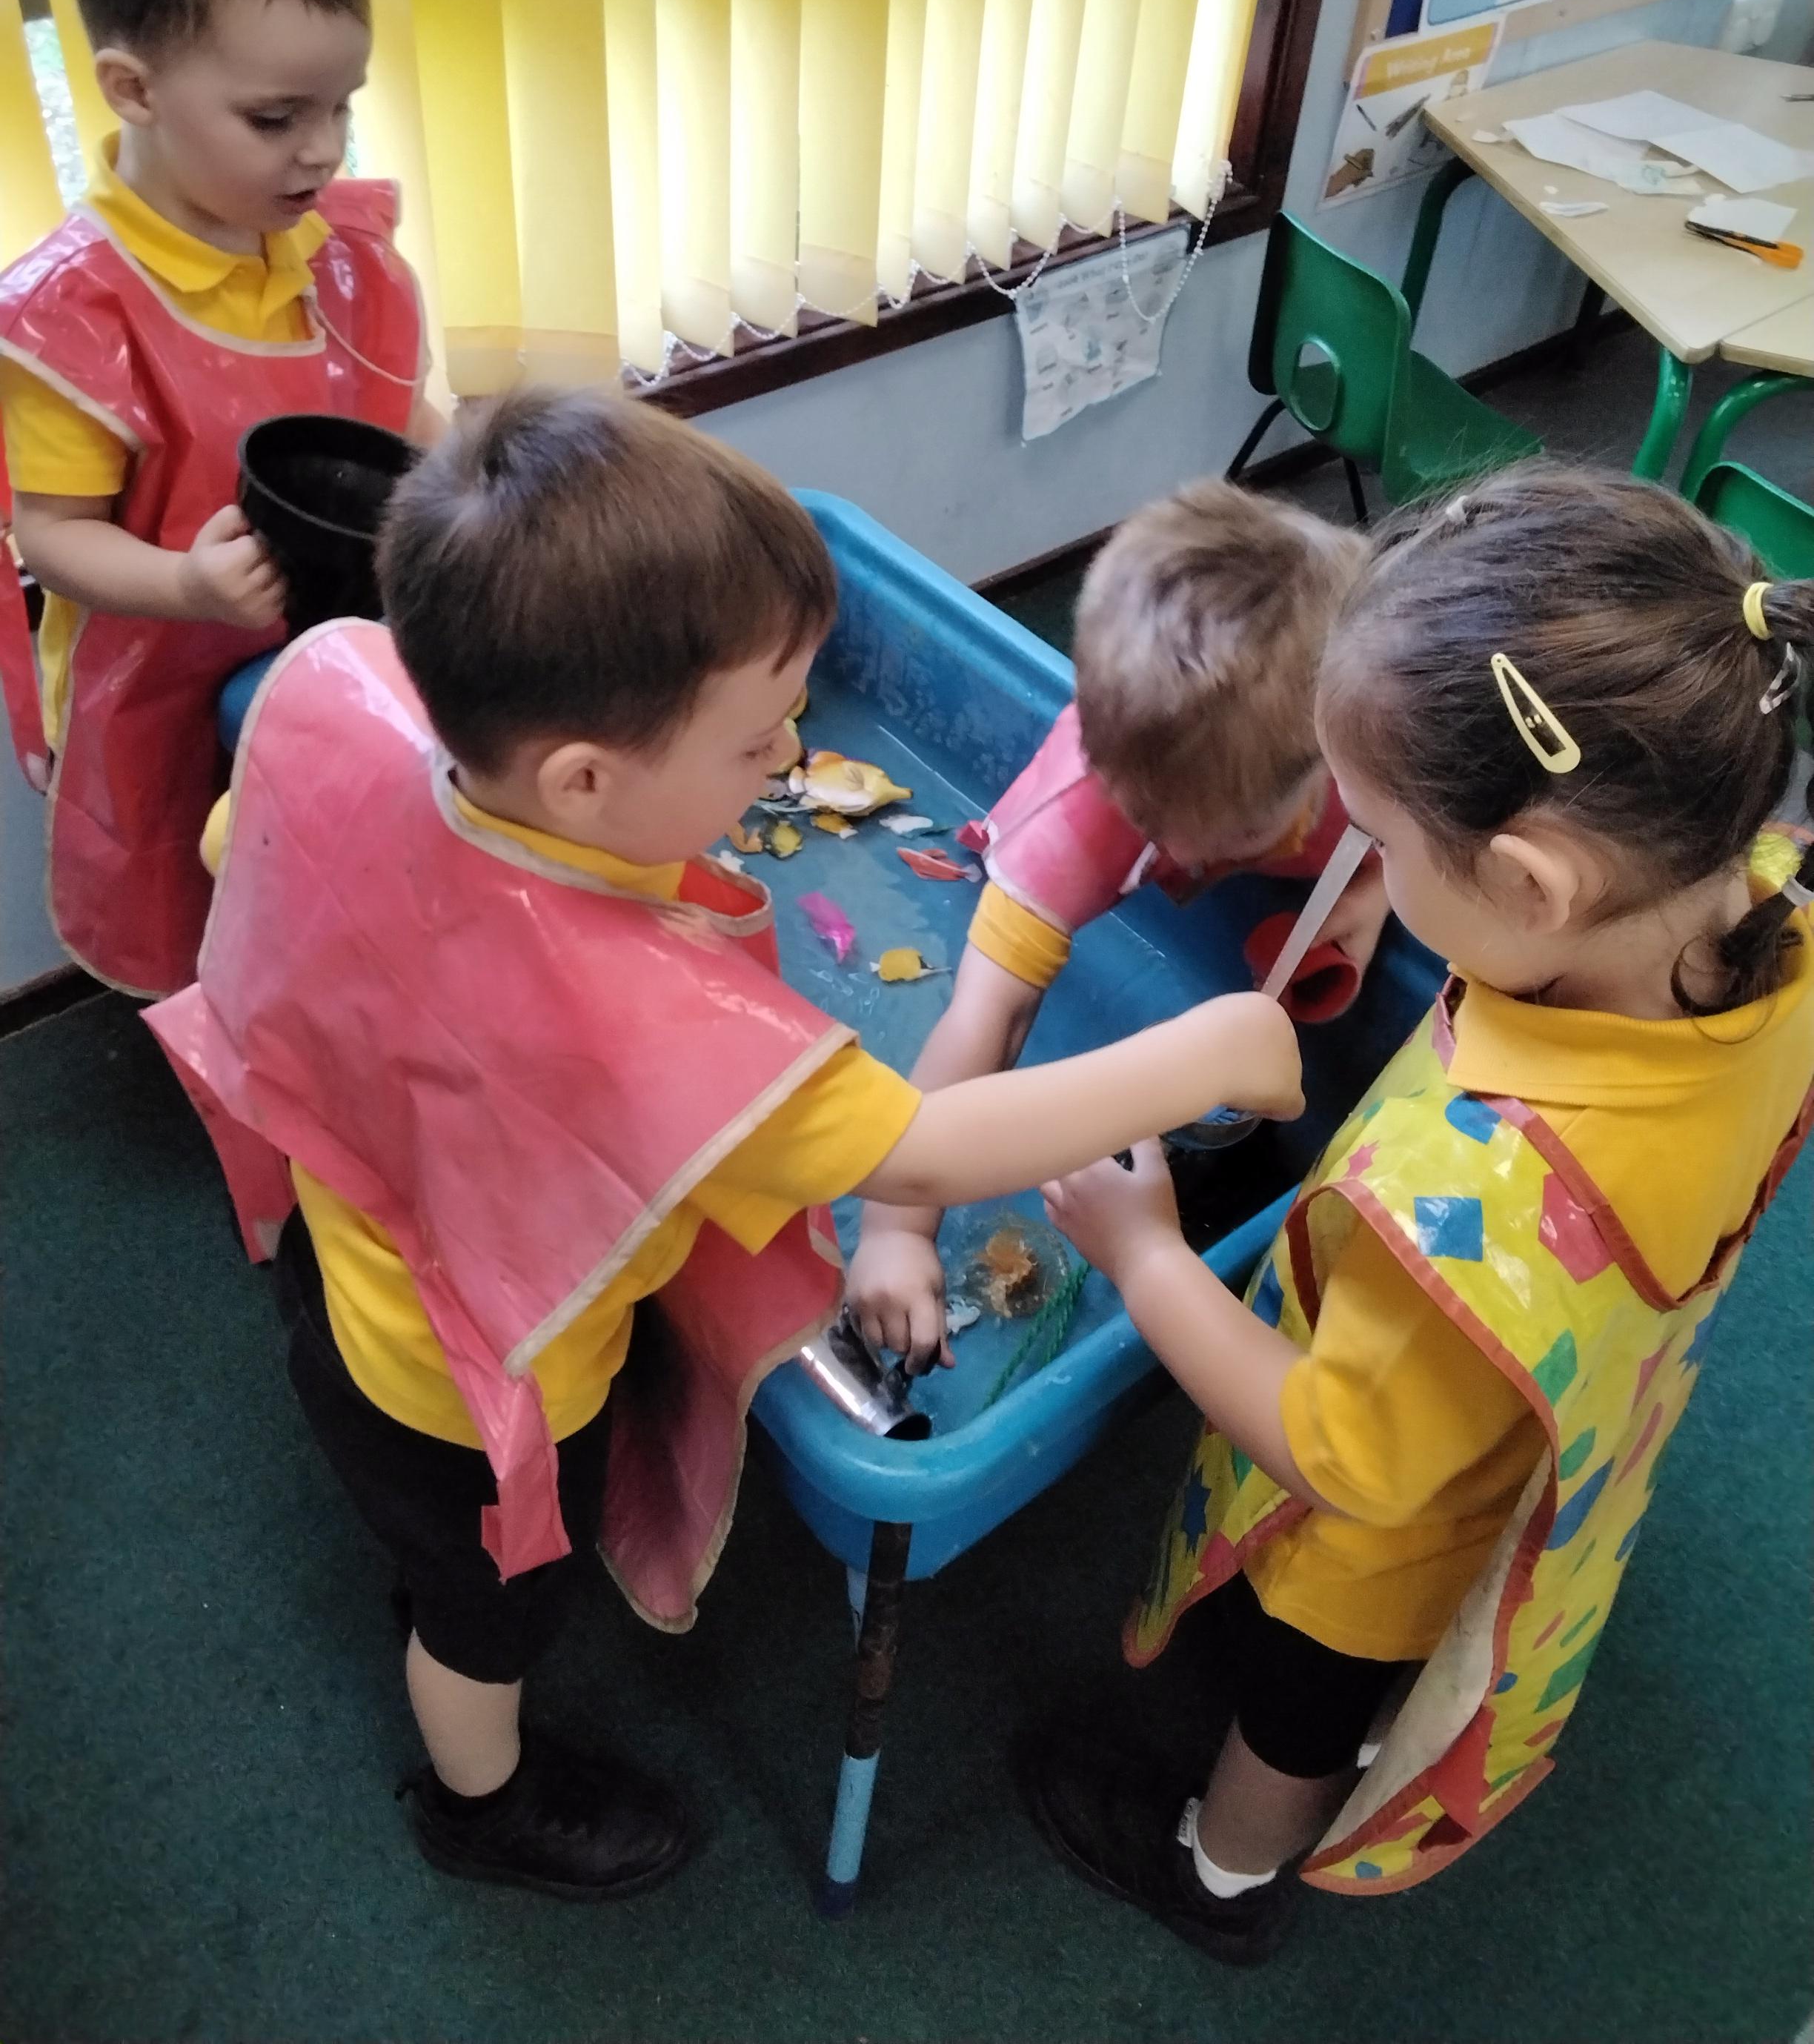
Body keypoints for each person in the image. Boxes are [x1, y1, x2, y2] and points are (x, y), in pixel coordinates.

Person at [146, 391, 1304, 1904]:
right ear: (582, 781)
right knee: (489, 1614)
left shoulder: (339, 688)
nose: (794, 748)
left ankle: (429, 1572)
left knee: (424, 1523)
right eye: (759, 737)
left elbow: (244, 846)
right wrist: (1207, 1051)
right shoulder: (638, 1024)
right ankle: (481, 1797)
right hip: (461, 1384)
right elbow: (925, 1150)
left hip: (337, 1235)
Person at [1021, 464, 1814, 1964]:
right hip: (1565, 1405)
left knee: (1301, 1704)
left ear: (1529, 884)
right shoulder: (1758, 905)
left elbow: (1337, 1453)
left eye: (1378, 841)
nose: (1359, 862)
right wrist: (1414, 891)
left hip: (1382, 1536)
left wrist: (1144, 1254)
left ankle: (1220, 1877)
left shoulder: (1480, 1200)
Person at [0, 0, 435, 998]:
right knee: (204, 907)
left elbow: (402, 421)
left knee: (327, 884)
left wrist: (484, 477)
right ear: (134, 90)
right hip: (162, 672)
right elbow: (52, 536)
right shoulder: (75, 314)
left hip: (325, 646)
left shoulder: (334, 249)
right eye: (276, 117)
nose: (324, 149)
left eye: (341, 107)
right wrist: (189, 586)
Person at [848, 477, 1392, 1368]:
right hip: (1093, 817)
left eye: (1224, 836)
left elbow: (1433, 831)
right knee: (1027, 933)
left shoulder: (1371, 750)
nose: (1177, 846)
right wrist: (896, 1231)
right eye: (1152, 818)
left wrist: (1369, 892)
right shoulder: (1083, 813)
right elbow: (988, 1018)